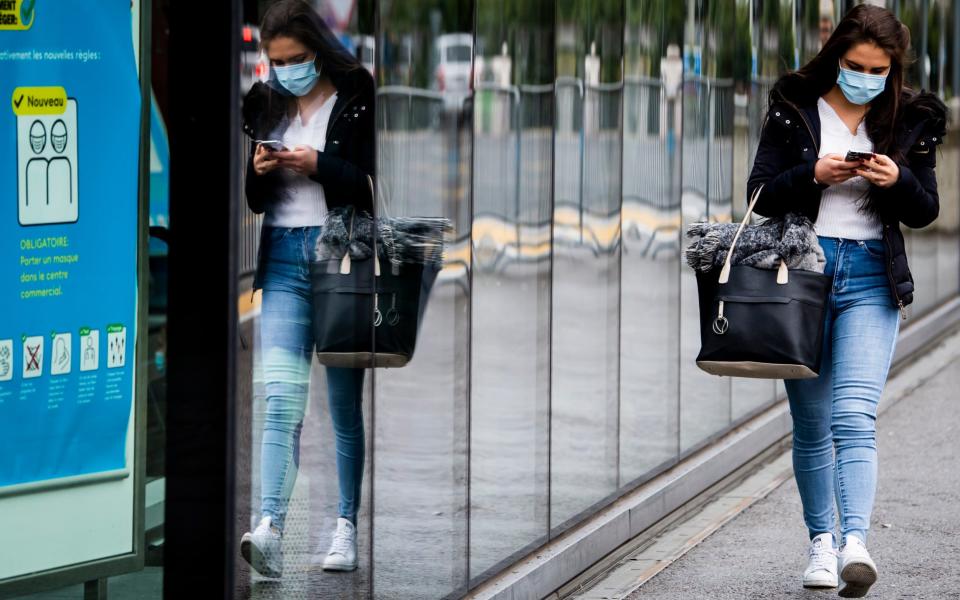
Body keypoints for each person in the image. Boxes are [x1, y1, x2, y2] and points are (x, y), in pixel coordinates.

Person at [747, 5, 945, 597]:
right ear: (837, 56)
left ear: (894, 69)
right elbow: (758, 194)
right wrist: (814, 174)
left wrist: (897, 180)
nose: (865, 76)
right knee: (810, 425)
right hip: (802, 276)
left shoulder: (912, 118)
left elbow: (926, 208)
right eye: (855, 65)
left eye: (878, 69)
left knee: (853, 415)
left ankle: (855, 541)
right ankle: (821, 545)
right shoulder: (793, 106)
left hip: (870, 278)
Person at [239, 0, 374, 578]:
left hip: (338, 258)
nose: (285, 70)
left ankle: (345, 526)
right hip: (284, 262)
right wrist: (259, 171)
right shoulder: (264, 102)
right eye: (275, 61)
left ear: (316, 50)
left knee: (342, 404)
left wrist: (316, 162)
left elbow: (363, 182)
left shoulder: (356, 91)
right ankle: (270, 528)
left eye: (294, 59)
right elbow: (252, 199)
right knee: (280, 399)